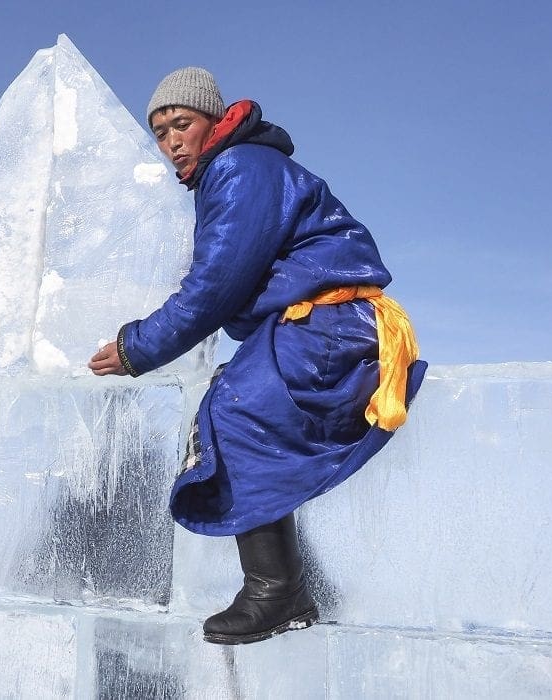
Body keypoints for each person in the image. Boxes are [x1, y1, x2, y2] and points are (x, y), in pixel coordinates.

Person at [89, 67, 426, 644]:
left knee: (240, 406)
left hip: (333, 320)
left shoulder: (239, 167)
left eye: (182, 123)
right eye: (160, 130)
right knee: (234, 401)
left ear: (213, 121)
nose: (171, 140)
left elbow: (216, 283)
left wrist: (136, 346)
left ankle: (277, 590)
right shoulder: (233, 169)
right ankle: (286, 588)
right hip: (314, 320)